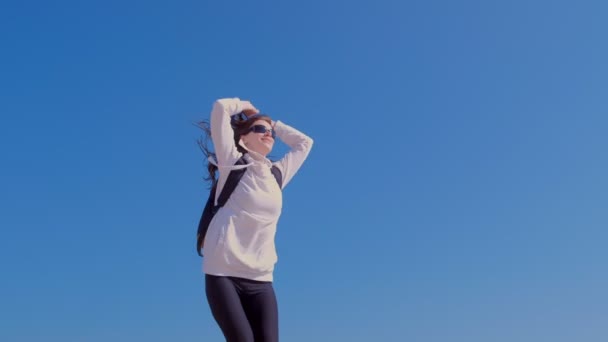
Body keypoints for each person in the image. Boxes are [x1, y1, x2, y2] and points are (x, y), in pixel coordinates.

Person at [197, 97, 313, 342]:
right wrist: (245, 106)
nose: (268, 133)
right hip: (222, 272)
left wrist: (274, 124)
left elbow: (304, 143)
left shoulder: (277, 174)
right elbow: (220, 108)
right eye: (260, 129)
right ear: (243, 138)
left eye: (270, 132)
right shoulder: (232, 164)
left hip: (260, 277)